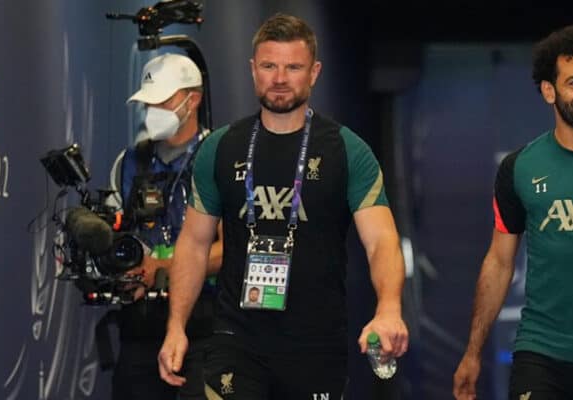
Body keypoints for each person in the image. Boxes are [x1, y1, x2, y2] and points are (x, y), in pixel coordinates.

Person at [158, 13, 409, 399]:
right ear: (252, 69)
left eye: (293, 67)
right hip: (236, 338)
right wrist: (176, 325)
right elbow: (193, 242)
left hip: (316, 343)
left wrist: (389, 307)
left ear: (315, 72)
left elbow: (381, 241)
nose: (279, 78)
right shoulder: (220, 148)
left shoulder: (347, 150)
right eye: (269, 65)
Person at [453, 24, 573, 400]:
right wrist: (472, 352)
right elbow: (499, 261)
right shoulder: (519, 168)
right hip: (542, 352)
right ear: (549, 90)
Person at [110, 53, 222, 400]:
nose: (153, 109)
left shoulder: (221, 158)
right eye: (149, 102)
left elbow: (236, 249)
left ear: (194, 99)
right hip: (140, 330)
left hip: (206, 331)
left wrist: (163, 269)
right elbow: (116, 240)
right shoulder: (128, 162)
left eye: (164, 100)